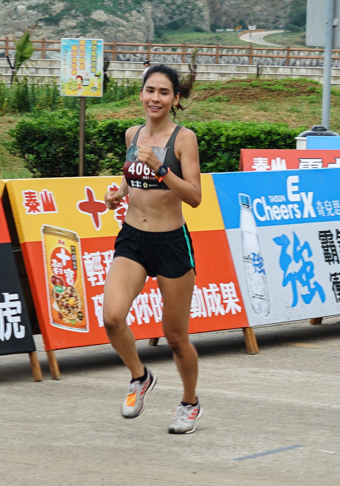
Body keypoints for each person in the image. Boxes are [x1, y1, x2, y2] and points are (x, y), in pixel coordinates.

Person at [103, 64, 203, 434]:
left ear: (175, 99)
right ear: (141, 94)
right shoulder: (133, 134)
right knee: (112, 317)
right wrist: (118, 195)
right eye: (150, 90)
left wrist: (162, 169)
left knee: (176, 337)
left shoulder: (183, 139)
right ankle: (139, 376)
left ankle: (190, 403)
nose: (155, 98)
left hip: (171, 243)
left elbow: (194, 197)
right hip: (132, 239)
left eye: (163, 92)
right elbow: (132, 180)